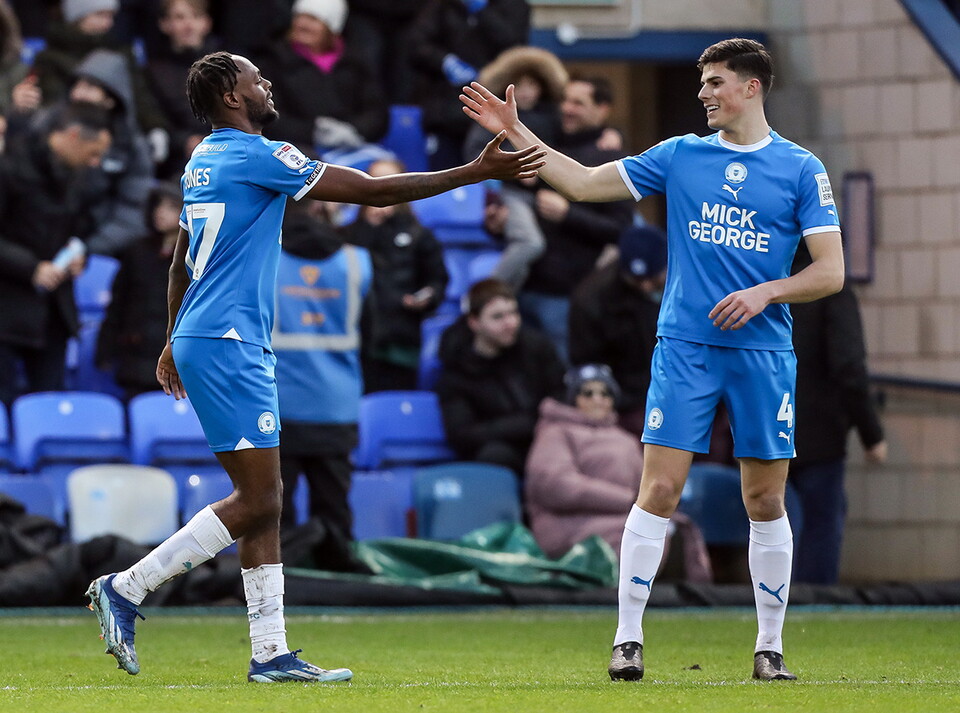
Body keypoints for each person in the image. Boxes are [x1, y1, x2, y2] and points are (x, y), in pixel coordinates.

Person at [85, 50, 544, 683]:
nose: (266, 84)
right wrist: (473, 171)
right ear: (232, 97)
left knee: (264, 501)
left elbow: (182, 257)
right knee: (260, 497)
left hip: (212, 333)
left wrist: (172, 338)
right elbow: (373, 192)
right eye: (255, 78)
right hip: (228, 339)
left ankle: (270, 653)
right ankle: (129, 586)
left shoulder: (201, 160)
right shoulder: (261, 155)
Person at [462, 37, 845, 681]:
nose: (703, 93)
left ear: (752, 87)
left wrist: (766, 291)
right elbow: (582, 184)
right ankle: (627, 638)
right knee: (659, 489)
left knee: (763, 499)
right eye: (701, 82)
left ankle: (770, 647)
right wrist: (519, 131)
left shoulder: (802, 169)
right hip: (687, 350)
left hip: (763, 352)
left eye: (715, 82)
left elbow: (831, 272)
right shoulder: (681, 155)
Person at [273, 197, 373, 573]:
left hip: (278, 403)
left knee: (274, 510)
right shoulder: (355, 262)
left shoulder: (266, 258)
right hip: (337, 401)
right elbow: (373, 334)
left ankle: (277, 590)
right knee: (334, 509)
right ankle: (337, 583)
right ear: (320, 209)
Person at [514, 76, 634, 363]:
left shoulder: (613, 159)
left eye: (578, 102)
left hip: (567, 298)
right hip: (525, 288)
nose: (567, 108)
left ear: (602, 109)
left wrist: (568, 214)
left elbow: (621, 230)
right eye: (565, 100)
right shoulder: (548, 142)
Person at [0, 102, 112, 406]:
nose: (95, 162)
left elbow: (82, 230)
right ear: (73, 135)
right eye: (93, 152)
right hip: (8, 309)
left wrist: (80, 256)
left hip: (54, 313)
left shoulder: (78, 177)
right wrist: (31, 267)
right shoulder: (11, 166)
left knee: (48, 403)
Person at [789, 243, 886, 585]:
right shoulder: (832, 285)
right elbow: (849, 368)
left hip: (766, 427)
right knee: (820, 527)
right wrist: (872, 434)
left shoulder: (762, 279)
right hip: (820, 435)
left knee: (770, 526)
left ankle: (770, 612)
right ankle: (812, 614)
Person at [434, 278, 565, 475]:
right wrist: (525, 424)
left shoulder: (536, 347)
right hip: (502, 451)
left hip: (546, 440)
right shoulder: (456, 370)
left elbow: (561, 394)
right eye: (498, 317)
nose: (510, 323)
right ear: (474, 323)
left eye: (513, 313)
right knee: (494, 456)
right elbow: (462, 435)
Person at [344, 157, 449, 392]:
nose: (382, 186)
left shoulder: (419, 234)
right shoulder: (349, 234)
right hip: (355, 340)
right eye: (375, 180)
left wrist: (427, 297)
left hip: (400, 339)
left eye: (389, 180)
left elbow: (437, 280)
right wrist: (369, 226)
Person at [524, 364, 641, 558]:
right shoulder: (556, 432)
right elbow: (555, 485)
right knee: (635, 537)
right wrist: (626, 500)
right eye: (588, 393)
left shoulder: (627, 440)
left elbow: (642, 490)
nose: (597, 400)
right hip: (567, 524)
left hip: (620, 519)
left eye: (605, 394)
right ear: (574, 399)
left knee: (670, 530)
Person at [252, 0, 389, 165]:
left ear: (332, 28)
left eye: (313, 19)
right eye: (299, 17)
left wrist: (354, 130)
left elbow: (376, 111)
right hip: (297, 150)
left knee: (385, 170)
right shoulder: (273, 62)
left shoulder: (354, 62)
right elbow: (267, 115)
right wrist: (314, 131)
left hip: (352, 145)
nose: (302, 24)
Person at [568, 223, 666, 439]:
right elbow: (588, 364)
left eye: (653, 278)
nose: (646, 287)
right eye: (638, 280)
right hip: (628, 401)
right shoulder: (590, 301)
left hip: (674, 384)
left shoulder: (684, 282)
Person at [408, 0, 530, 170]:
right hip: (445, 113)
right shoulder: (441, 6)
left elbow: (514, 44)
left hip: (494, 111)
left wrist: (483, 13)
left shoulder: (514, 5)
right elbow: (416, 44)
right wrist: (444, 61)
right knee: (443, 176)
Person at [95, 182, 182, 398]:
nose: (161, 212)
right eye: (159, 205)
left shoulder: (195, 257)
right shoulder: (136, 252)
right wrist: (104, 350)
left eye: (172, 207)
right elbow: (117, 304)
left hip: (175, 359)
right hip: (134, 356)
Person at [145, 0, 220, 179]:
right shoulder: (153, 72)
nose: (189, 25)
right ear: (164, 24)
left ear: (207, 23)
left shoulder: (229, 65)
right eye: (179, 17)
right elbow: (154, 117)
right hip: (179, 163)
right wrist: (184, 141)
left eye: (196, 17)